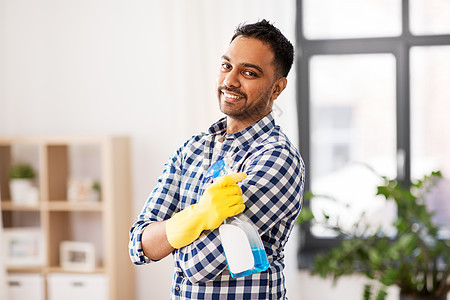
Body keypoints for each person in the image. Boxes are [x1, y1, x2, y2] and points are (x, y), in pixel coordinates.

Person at [129, 19, 305, 299]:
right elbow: (140, 245)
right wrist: (197, 217)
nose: (229, 81)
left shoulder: (277, 158)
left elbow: (197, 266)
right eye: (226, 66)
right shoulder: (193, 149)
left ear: (276, 89)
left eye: (248, 72)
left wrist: (171, 236)